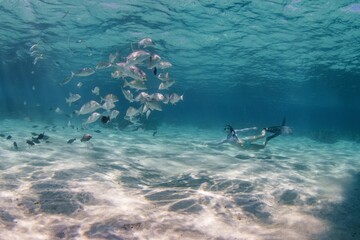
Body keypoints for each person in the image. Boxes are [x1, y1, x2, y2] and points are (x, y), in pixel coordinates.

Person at [206, 118, 292, 150]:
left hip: (246, 140)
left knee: (262, 135)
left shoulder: (234, 132)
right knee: (262, 147)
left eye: (228, 128)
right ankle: (268, 139)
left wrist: (252, 128)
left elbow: (244, 129)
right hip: (246, 147)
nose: (227, 129)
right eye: (226, 129)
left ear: (230, 129)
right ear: (225, 130)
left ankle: (265, 129)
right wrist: (209, 144)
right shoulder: (226, 139)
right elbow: (218, 143)